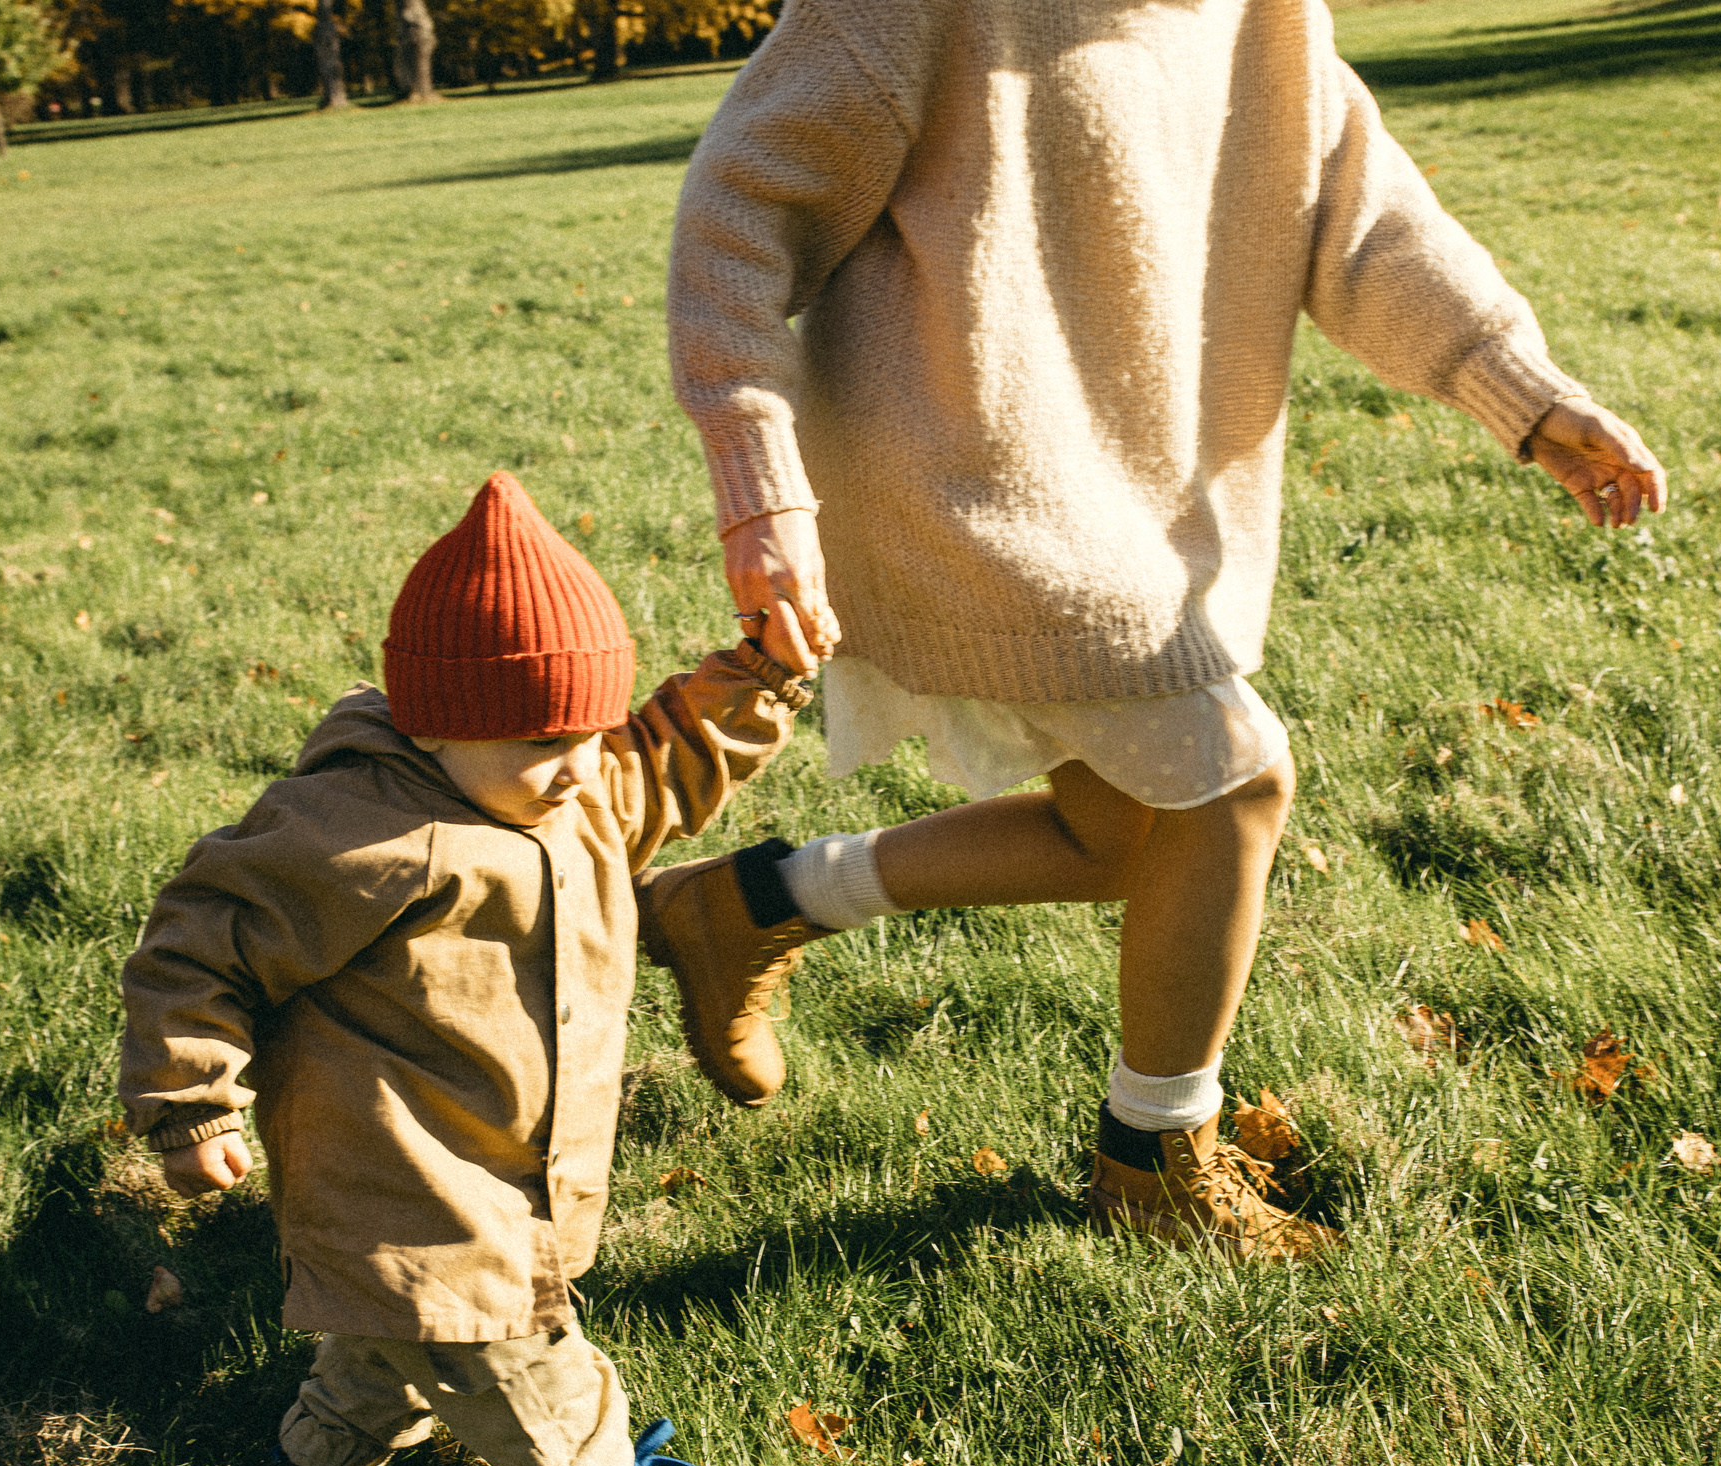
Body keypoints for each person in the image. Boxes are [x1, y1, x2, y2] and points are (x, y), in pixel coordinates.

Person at [642, 0, 1667, 1262]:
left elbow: (1365, 218)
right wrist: (760, 485)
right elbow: (739, 219)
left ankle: (747, 905)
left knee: (1125, 826)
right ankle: (1153, 1158)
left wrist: (1516, 386)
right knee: (1232, 786)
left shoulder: (1261, 13)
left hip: (1130, 495)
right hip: (958, 481)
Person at [117, 472, 812, 1466]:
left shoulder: (562, 789)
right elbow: (204, 938)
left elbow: (666, 761)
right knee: (517, 1360)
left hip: (496, 1169)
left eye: (591, 730)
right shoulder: (360, 837)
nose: (580, 767)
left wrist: (761, 677)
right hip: (408, 1184)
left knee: (388, 1339)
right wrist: (191, 1102)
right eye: (543, 742)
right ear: (439, 728)